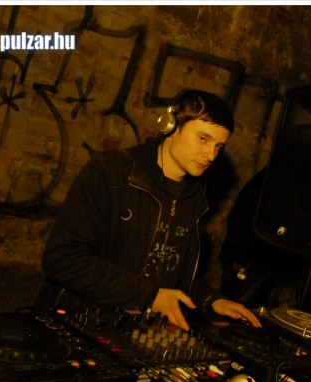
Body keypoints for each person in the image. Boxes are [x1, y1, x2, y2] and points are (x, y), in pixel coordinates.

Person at [33, 89, 261, 331]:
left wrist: (211, 300)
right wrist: (148, 296)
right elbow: (62, 259)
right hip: (76, 322)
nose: (211, 155)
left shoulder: (194, 199)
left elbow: (171, 273)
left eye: (218, 146)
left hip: (132, 331)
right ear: (170, 126)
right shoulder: (110, 173)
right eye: (203, 139)